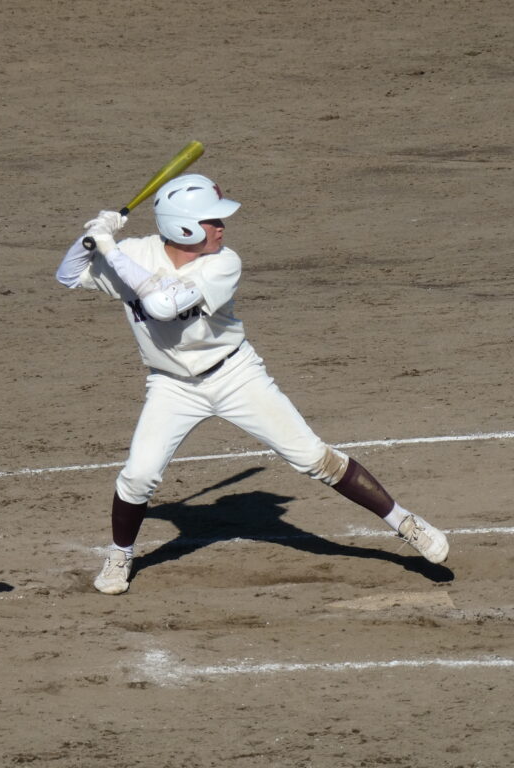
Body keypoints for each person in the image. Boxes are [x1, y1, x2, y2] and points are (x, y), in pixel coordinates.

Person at [55, 173, 450, 595]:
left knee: (314, 457)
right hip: (171, 387)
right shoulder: (136, 253)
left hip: (235, 376)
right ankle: (120, 555)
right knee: (138, 477)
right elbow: (67, 274)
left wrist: (111, 250)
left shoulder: (223, 263)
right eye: (211, 221)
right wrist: (91, 238)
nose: (221, 227)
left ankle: (405, 522)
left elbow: (162, 305)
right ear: (181, 227)